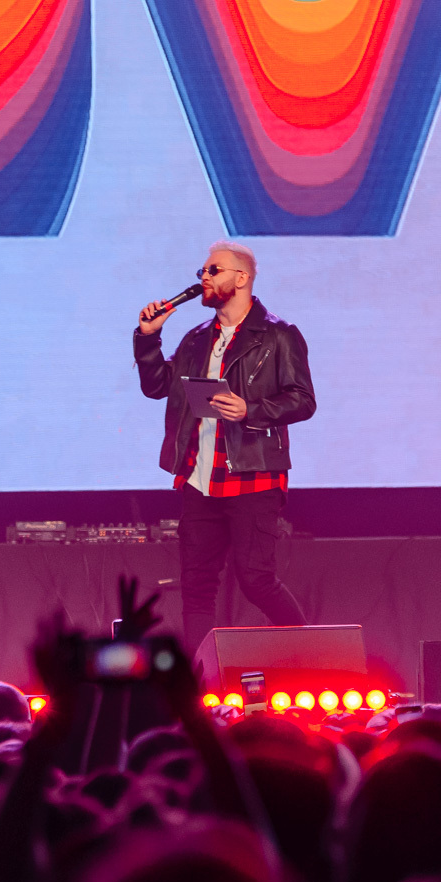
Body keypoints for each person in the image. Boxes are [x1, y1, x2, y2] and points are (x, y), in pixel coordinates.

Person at [135, 241, 314, 655]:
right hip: (200, 480)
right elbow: (157, 387)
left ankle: (313, 652)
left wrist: (251, 409)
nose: (204, 277)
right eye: (202, 271)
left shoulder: (278, 335)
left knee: (256, 580)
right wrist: (148, 338)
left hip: (253, 477)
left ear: (242, 277)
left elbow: (303, 400)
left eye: (213, 270)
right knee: (197, 587)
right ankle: (200, 681)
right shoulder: (197, 339)